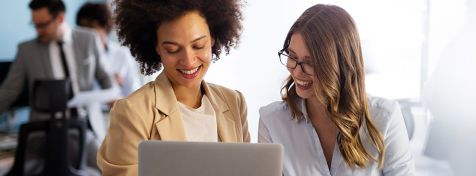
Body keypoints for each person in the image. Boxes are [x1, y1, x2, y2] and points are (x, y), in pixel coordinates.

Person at [258, 4, 416, 176]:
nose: (296, 71)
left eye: (309, 62)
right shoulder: (271, 122)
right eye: (292, 57)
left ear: (340, 64)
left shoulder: (385, 118)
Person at [97, 0, 249, 175]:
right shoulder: (132, 112)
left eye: (198, 46)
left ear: (213, 37)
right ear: (156, 46)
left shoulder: (234, 102)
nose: (188, 61)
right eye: (172, 49)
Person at [0, 0, 117, 174]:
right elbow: (8, 92)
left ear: (60, 18)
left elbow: (109, 83)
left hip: (85, 127)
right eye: (34, 25)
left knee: (113, 168)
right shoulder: (26, 50)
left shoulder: (88, 39)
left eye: (43, 25)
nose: (38, 31)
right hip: (44, 133)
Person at [76, 2, 141, 106]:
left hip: (117, 113)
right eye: (83, 27)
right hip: (88, 115)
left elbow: (135, 94)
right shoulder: (76, 55)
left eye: (91, 26)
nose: (88, 32)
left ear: (104, 26)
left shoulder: (122, 55)